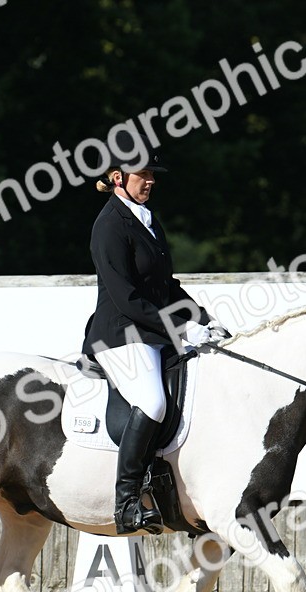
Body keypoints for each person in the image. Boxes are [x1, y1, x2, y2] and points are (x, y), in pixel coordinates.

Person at [81, 140, 229, 534]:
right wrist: (180, 328)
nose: (149, 182)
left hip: (151, 332)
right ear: (118, 178)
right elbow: (127, 298)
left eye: (151, 176)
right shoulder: (109, 225)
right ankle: (126, 501)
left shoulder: (146, 218)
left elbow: (168, 286)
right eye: (141, 175)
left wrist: (203, 318)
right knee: (152, 401)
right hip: (121, 335)